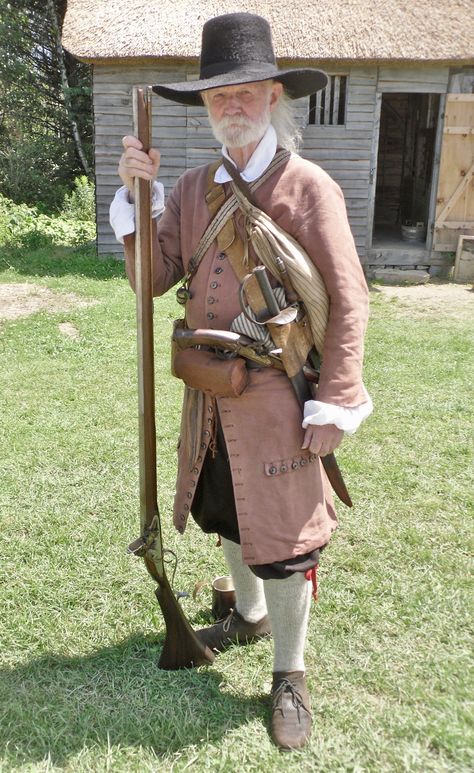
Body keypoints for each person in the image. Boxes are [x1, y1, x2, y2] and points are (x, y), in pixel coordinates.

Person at [110, 12, 372, 751]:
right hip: (209, 393)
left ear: (273, 98)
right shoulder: (191, 188)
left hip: (281, 398)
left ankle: (290, 671)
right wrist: (137, 199)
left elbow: (349, 299)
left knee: (286, 543)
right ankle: (247, 615)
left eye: (245, 93)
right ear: (207, 106)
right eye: (217, 96)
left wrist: (337, 400)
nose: (231, 106)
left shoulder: (310, 186)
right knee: (227, 513)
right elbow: (151, 278)